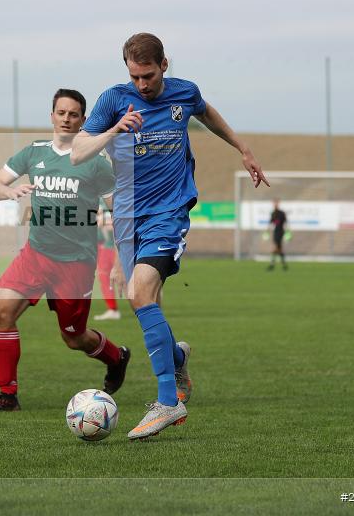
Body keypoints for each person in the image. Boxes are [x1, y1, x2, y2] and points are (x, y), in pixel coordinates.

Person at [72, 32, 269, 439]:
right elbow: (78, 152)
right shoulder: (113, 101)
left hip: (169, 211)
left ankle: (168, 402)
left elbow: (206, 112)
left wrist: (243, 148)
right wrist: (114, 130)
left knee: (140, 292)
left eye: (148, 75)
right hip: (127, 217)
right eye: (135, 76)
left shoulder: (183, 92)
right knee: (145, 302)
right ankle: (176, 358)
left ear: (164, 65)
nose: (142, 84)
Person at [0, 89, 131, 412]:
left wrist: (119, 260)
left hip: (75, 264)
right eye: (61, 112)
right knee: (1, 313)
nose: (66, 119)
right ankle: (8, 396)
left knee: (74, 338)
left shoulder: (96, 163)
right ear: (51, 116)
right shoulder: (33, 153)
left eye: (73, 114)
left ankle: (116, 357)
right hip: (36, 254)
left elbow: (119, 212)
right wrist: (9, 192)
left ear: (83, 120)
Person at [93, 200, 121, 321]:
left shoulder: (102, 201)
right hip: (106, 245)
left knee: (106, 277)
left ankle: (113, 309)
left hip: (108, 246)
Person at [266, 199, 288, 271]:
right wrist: (267, 231)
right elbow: (271, 223)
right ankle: (284, 265)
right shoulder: (273, 213)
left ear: (278, 204)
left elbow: (285, 223)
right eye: (274, 203)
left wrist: (287, 232)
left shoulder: (281, 213)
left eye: (276, 203)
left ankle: (272, 265)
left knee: (276, 248)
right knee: (279, 249)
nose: (275, 205)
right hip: (275, 232)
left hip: (280, 232)